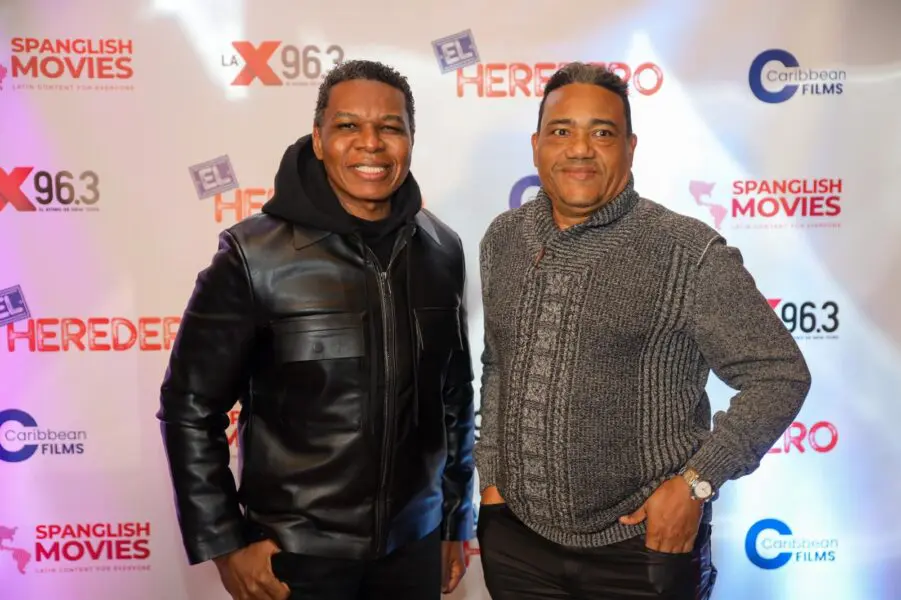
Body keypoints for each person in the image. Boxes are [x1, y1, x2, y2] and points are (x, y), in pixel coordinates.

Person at [473, 62, 812, 599]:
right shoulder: (504, 238)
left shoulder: (686, 251)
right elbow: (499, 362)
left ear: (630, 148)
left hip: (643, 549)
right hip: (518, 544)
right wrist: (491, 476)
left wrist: (697, 481)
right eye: (561, 131)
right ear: (537, 146)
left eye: (602, 133)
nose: (580, 149)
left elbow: (778, 375)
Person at [157, 59, 476, 600]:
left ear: (410, 139)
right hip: (295, 558)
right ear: (319, 138)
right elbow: (189, 408)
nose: (371, 143)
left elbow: (454, 398)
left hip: (413, 549)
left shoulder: (441, 250)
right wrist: (226, 543)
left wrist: (453, 520)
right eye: (348, 125)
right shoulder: (253, 255)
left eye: (390, 127)